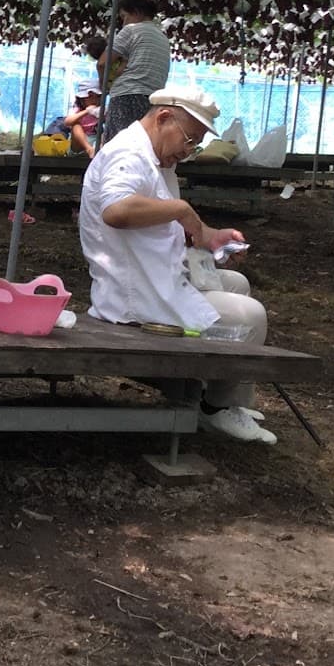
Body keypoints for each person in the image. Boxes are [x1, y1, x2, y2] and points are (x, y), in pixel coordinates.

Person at [79, 88, 277, 444]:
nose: (189, 150)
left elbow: (162, 226)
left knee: (236, 284)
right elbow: (117, 211)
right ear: (164, 118)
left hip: (155, 274)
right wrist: (184, 211)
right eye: (190, 139)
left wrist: (210, 236)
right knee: (250, 316)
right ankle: (216, 408)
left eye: (196, 144)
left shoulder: (157, 157)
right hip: (134, 294)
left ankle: (221, 398)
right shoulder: (128, 154)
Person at [98, 0, 172, 146]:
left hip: (127, 97)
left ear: (136, 12)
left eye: (125, 16)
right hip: (152, 100)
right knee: (140, 146)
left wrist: (103, 86)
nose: (124, 22)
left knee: (117, 147)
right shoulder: (163, 37)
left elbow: (102, 63)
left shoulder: (131, 30)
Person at [60, 85, 102, 158]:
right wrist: (87, 111)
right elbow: (67, 122)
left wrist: (104, 115)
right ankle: (89, 149)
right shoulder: (78, 110)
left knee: (108, 128)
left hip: (95, 141)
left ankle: (98, 151)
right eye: (90, 96)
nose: (94, 100)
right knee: (76, 125)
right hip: (79, 143)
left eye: (98, 96)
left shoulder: (100, 110)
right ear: (82, 99)